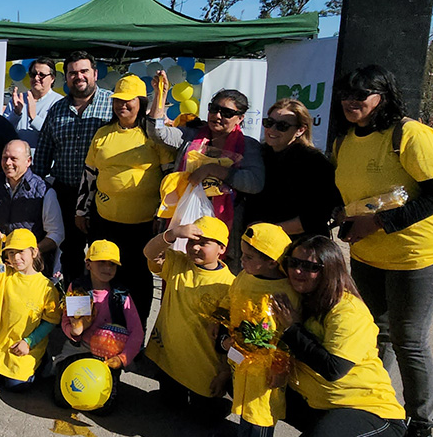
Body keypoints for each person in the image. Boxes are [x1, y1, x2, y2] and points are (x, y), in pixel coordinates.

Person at [331, 65, 433, 437]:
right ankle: (378, 410)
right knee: (377, 335)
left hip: (413, 258)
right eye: (347, 94)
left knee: (408, 340)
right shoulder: (344, 141)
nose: (353, 100)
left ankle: (423, 430)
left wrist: (381, 222)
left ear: (384, 96)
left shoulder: (409, 134)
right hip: (368, 255)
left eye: (364, 93)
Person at [271, 235, 407, 437]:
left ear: (330, 270)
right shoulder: (304, 296)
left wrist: (292, 329)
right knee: (252, 384)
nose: (299, 270)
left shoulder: (347, 311)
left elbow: (333, 369)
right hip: (324, 404)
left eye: (312, 267)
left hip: (370, 413)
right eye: (293, 262)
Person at [77, 75, 175, 329]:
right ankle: (93, 329)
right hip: (104, 221)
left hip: (142, 226)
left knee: (137, 281)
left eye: (128, 100)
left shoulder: (155, 136)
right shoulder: (102, 134)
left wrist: (163, 217)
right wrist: (81, 210)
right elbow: (89, 175)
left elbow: (170, 178)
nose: (122, 105)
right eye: (117, 100)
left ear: (141, 102)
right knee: (100, 277)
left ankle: (134, 334)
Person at [147, 80, 265, 271]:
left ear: (240, 118)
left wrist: (215, 170)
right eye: (214, 109)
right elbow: (158, 133)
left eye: (226, 113)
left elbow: (255, 183)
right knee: (178, 277)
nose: (217, 116)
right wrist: (160, 95)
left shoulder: (248, 146)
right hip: (185, 221)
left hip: (225, 230)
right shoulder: (191, 136)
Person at [213, 223, 296, 437]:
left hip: (266, 367)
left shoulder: (284, 293)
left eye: (249, 257)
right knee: (244, 398)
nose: (242, 260)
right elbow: (231, 297)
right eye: (243, 254)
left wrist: (280, 367)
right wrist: (220, 321)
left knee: (261, 408)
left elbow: (289, 336)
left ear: (272, 262)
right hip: (241, 357)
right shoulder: (245, 276)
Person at [33, 51, 113, 283]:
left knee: (103, 255)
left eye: (84, 71)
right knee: (69, 255)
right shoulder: (57, 109)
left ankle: (103, 307)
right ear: (66, 78)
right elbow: (44, 155)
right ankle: (74, 308)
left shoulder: (112, 105)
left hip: (102, 196)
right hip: (65, 194)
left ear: (95, 74)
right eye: (72, 73)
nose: (79, 77)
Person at [143, 216, 235, 413]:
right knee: (170, 406)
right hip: (170, 360)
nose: (194, 247)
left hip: (204, 367)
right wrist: (172, 234)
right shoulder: (178, 263)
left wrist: (225, 373)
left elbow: (232, 336)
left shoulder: (230, 285)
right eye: (192, 242)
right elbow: (149, 252)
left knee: (205, 417)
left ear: (222, 249)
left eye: (203, 243)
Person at [56, 240, 144, 411]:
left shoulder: (120, 295)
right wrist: (74, 331)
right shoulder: (78, 288)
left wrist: (122, 358)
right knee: (62, 399)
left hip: (108, 355)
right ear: (88, 264)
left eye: (112, 264)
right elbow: (67, 321)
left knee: (104, 407)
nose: (107, 267)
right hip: (80, 348)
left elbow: (137, 332)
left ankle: (113, 379)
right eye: (101, 262)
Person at [0, 228, 61, 391]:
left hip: (25, 346)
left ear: (34, 252)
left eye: (20, 251)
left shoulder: (47, 288)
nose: (15, 258)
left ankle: (43, 363)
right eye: (11, 253)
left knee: (16, 386)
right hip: (0, 346)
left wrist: (29, 342)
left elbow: (51, 321)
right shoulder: (6, 274)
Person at [243, 99, 338, 236]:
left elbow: (317, 215)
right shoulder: (258, 154)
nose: (272, 129)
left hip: (299, 245)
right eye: (269, 123)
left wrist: (270, 231)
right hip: (258, 243)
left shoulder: (315, 162)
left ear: (300, 130)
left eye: (282, 126)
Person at [0, 140, 63, 274]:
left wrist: (30, 253)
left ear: (28, 161)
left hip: (30, 267)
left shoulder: (44, 191)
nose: (7, 163)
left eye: (13, 159)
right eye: (5, 158)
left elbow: (56, 234)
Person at [5, 58, 63, 156]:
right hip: (17, 163)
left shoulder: (60, 103)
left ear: (52, 78)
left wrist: (34, 118)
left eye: (42, 75)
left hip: (45, 164)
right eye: (33, 74)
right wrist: (16, 114)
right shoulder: (18, 99)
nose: (36, 78)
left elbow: (58, 135)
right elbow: (4, 130)